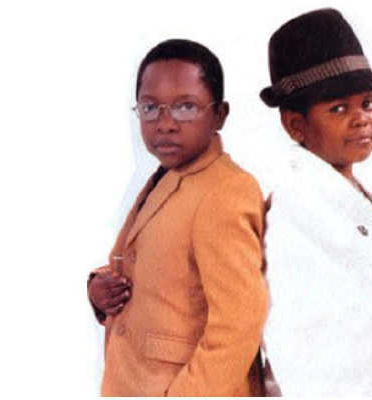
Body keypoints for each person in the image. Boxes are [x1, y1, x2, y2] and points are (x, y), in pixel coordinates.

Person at [86, 39, 269, 397]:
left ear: (220, 114)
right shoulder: (168, 177)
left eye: (186, 107)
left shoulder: (226, 191)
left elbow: (238, 325)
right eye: (150, 108)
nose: (165, 124)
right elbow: (159, 267)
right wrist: (99, 287)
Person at [259, 9, 372, 396]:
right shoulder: (295, 207)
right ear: (295, 125)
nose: (361, 119)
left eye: (367, 103)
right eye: (339, 108)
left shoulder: (362, 194)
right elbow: (290, 337)